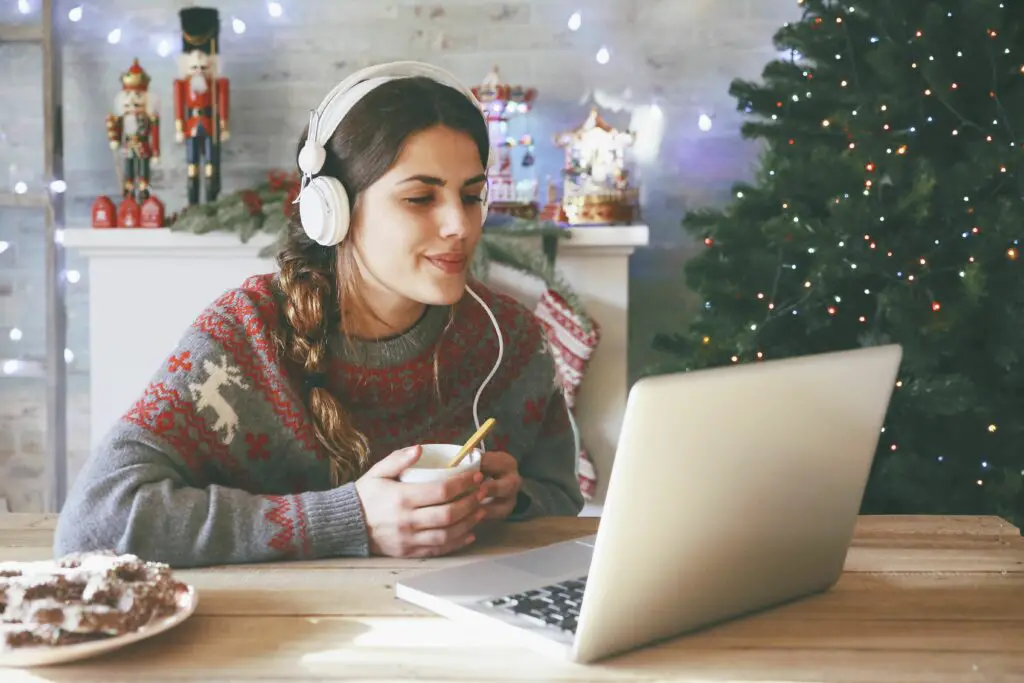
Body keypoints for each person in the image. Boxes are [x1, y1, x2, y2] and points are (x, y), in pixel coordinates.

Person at [54, 62, 585, 568]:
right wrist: (349, 520)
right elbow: (92, 523)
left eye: (471, 197)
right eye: (421, 198)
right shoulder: (246, 335)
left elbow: (560, 496)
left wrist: (513, 501)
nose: (459, 226)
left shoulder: (510, 339)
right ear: (333, 210)